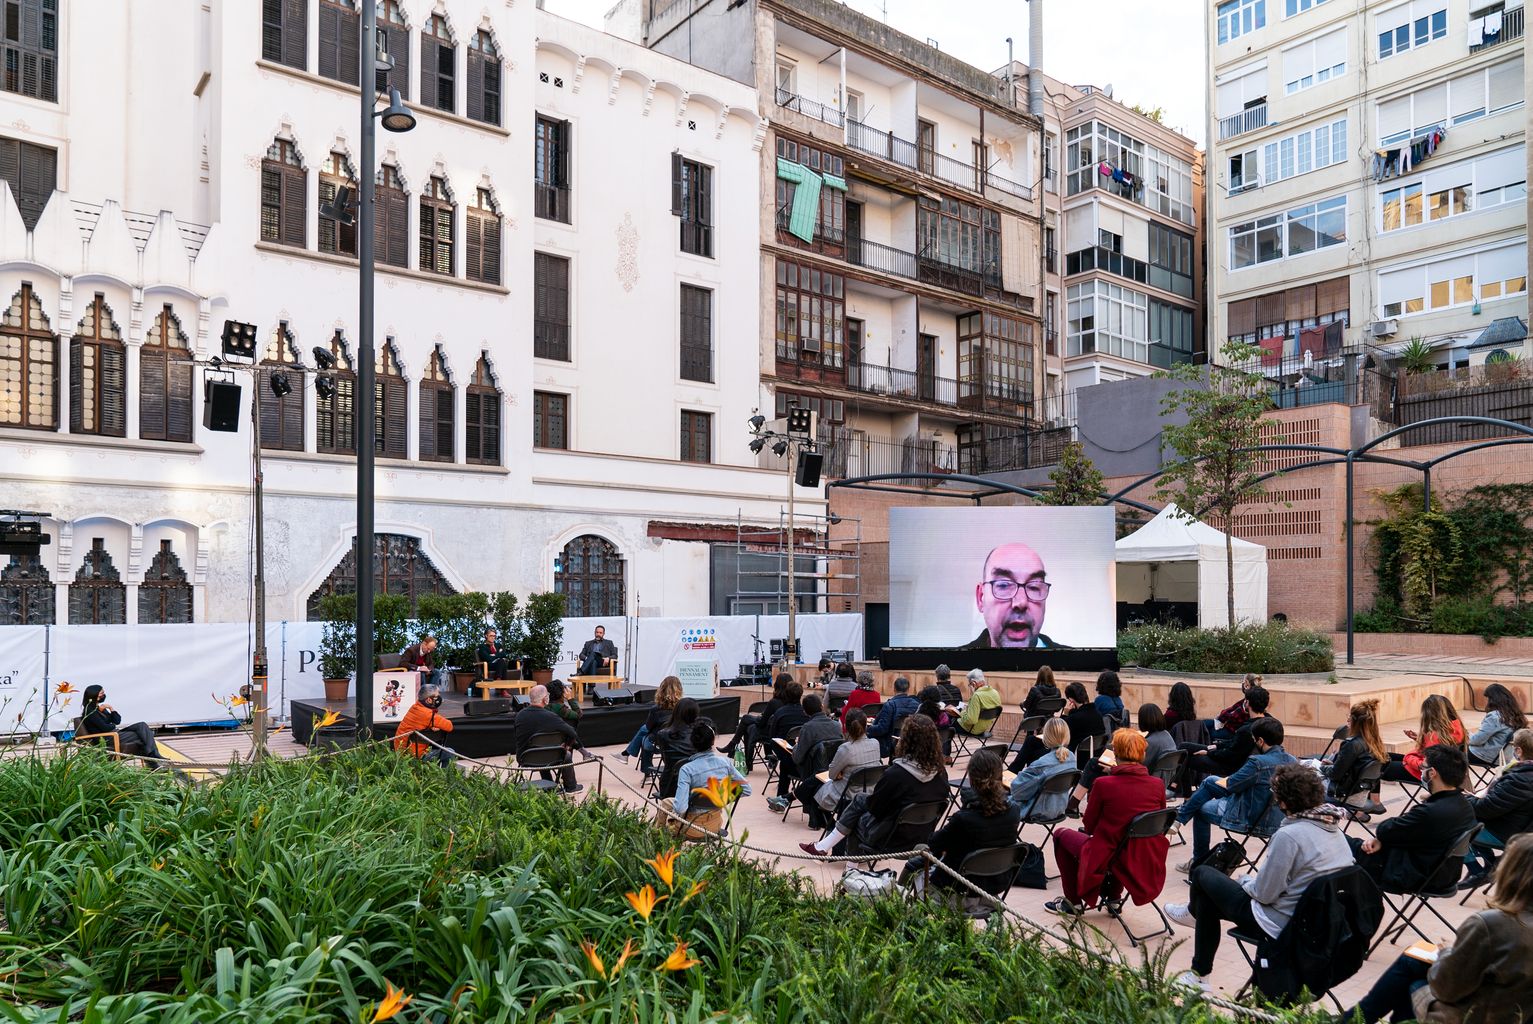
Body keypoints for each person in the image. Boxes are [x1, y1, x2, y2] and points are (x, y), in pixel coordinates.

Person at [1167, 762, 1355, 994]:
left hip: (1280, 923)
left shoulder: (1290, 835)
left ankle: (1194, 930)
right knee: (1208, 899)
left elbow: (1264, 894)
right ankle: (1198, 970)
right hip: (1318, 923)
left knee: (1202, 874)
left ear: (1283, 802)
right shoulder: (1336, 831)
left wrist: (1245, 881)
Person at [1346, 833, 1533, 1024]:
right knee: (1413, 961)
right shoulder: (1502, 923)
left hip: (1475, 1015)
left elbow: (1446, 989)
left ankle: (1354, 1019)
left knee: (1410, 980)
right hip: (1512, 1010)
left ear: (1513, 873)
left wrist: (1445, 953)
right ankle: (1355, 1018)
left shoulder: (1494, 923)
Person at [1049, 729, 1168, 916]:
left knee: (1061, 835)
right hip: (1142, 854)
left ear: (1116, 753)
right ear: (1142, 754)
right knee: (1124, 839)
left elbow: (1089, 826)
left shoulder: (1104, 784)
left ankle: (1073, 903)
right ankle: (1113, 897)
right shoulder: (1157, 784)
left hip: (1111, 854)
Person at [799, 712, 949, 857]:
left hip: (889, 839)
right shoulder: (942, 774)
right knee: (860, 800)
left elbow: (875, 809)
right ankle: (825, 848)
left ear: (906, 740)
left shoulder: (896, 774)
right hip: (921, 836)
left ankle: (846, 866)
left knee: (857, 812)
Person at [1354, 744, 1476, 893]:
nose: (1421, 772)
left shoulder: (1430, 812)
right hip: (1445, 873)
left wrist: (1383, 840)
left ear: (1432, 773)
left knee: (1347, 845)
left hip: (1413, 874)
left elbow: (1385, 829)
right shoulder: (1465, 804)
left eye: (1423, 768)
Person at [1175, 717, 1294, 866]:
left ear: (1261, 741)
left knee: (1199, 807)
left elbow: (1231, 784)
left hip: (1249, 818)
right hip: (1278, 820)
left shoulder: (1257, 763)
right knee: (1210, 782)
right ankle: (1180, 819)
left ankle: (1198, 861)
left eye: (1254, 740)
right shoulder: (1293, 761)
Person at [906, 750, 1022, 896]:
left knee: (920, 849)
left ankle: (897, 903)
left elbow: (935, 843)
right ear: (1000, 776)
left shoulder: (964, 819)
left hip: (956, 890)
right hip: (993, 887)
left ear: (971, 778)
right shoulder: (1013, 812)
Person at [1067, 703, 1175, 817]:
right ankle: (1075, 805)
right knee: (1096, 763)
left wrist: (1111, 769)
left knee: (1094, 764)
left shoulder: (1151, 743)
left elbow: (1133, 767)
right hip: (1157, 780)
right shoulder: (1166, 736)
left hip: (1138, 780)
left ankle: (1074, 804)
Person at [1463, 728, 1533, 886]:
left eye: (1513, 746)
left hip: (1511, 834)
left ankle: (1477, 869)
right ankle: (1490, 865)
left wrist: (1464, 799)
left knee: (1453, 822)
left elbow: (1486, 808)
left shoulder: (1520, 779)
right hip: (1520, 828)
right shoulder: (1520, 775)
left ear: (1519, 750)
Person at [964, 542, 1065, 649]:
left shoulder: (1078, 663)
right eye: (1004, 585)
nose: (1021, 602)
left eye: (1034, 586)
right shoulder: (953, 663)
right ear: (981, 598)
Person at [668, 718, 752, 838]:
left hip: (691, 828)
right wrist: (720, 799)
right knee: (668, 803)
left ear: (692, 742)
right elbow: (747, 789)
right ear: (713, 741)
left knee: (666, 806)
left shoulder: (687, 769)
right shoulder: (726, 763)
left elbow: (681, 808)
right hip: (715, 826)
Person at [804, 708, 882, 831]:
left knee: (815, 793)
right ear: (866, 725)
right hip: (870, 790)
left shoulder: (846, 748)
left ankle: (834, 828)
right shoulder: (875, 743)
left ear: (845, 726)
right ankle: (836, 829)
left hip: (848, 793)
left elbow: (831, 774)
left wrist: (840, 773)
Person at [766, 693, 841, 812]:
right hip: (833, 768)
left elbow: (797, 758)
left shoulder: (808, 727)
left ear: (805, 712)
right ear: (821, 707)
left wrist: (796, 745)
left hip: (812, 770)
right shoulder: (837, 725)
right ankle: (783, 799)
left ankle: (782, 798)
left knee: (785, 764)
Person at [1185, 684, 1274, 779]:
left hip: (1231, 766)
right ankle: (1177, 787)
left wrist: (1209, 753)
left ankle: (1180, 789)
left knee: (1188, 756)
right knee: (1185, 746)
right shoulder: (1270, 722)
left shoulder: (1247, 730)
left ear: (1247, 703)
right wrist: (1215, 746)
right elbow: (1233, 744)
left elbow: (1230, 755)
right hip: (1232, 756)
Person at [1010, 681, 1103, 771]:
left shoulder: (1074, 718)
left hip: (1069, 756)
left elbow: (1057, 734)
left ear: (1071, 700)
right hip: (1090, 755)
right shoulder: (1098, 714)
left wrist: (1068, 713)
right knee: (1032, 741)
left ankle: (1013, 772)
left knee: (1031, 745)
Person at [511, 684, 583, 793]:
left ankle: (549, 786)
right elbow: (572, 733)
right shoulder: (551, 716)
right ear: (545, 699)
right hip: (550, 757)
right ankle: (571, 787)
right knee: (565, 755)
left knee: (538, 749)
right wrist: (567, 745)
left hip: (524, 758)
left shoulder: (519, 715)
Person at [1383, 694, 1468, 784]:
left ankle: (1373, 797)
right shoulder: (1457, 728)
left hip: (1429, 775)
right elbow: (1440, 750)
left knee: (1379, 765)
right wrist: (1423, 740)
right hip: (1447, 772)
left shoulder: (1435, 736)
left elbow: (1425, 765)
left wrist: (1408, 758)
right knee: (1383, 756)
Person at [1320, 698, 1387, 809]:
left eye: (1349, 718)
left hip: (1344, 795)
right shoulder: (1375, 742)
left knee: (1302, 782)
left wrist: (1323, 767)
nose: (1347, 721)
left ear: (1354, 721)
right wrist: (1331, 766)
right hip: (1361, 793)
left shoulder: (1351, 744)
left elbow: (1335, 775)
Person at [719, 672, 790, 770]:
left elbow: (761, 723)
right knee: (749, 724)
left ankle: (734, 747)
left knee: (746, 720)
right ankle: (736, 748)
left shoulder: (774, 702)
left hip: (771, 733)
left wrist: (761, 717)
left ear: (777, 685)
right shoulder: (792, 702)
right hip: (785, 734)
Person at [1010, 718, 1077, 819]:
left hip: (1036, 810)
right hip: (1059, 808)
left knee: (996, 798)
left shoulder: (1041, 765)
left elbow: (1017, 792)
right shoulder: (1072, 758)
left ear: (1046, 736)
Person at [77, 684, 164, 762]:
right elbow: (105, 728)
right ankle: (154, 760)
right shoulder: (89, 711)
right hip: (106, 738)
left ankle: (154, 757)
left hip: (113, 733)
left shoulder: (99, 708)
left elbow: (117, 721)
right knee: (141, 736)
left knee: (141, 726)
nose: (103, 695)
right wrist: (111, 725)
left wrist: (111, 708)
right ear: (94, 695)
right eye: (101, 693)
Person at [619, 674, 681, 772]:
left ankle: (646, 772)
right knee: (645, 732)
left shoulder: (656, 709)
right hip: (679, 742)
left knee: (645, 737)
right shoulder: (682, 707)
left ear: (661, 690)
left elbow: (648, 728)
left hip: (658, 744)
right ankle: (626, 754)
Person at [393, 682, 456, 768]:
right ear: (429, 700)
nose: (440, 698)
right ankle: (444, 776)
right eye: (438, 695)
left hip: (401, 752)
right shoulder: (428, 715)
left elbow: (421, 723)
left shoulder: (415, 708)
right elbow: (449, 726)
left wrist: (432, 725)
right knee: (449, 752)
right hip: (414, 755)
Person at [653, 697, 702, 800]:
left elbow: (665, 759)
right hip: (696, 783)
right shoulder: (701, 734)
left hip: (671, 784)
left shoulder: (663, 734)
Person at [1470, 683, 1527, 768]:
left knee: (1453, 753)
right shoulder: (1515, 715)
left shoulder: (1495, 716)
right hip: (1506, 756)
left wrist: (1467, 737)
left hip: (1488, 756)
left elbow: (1478, 740)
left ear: (1492, 700)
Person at [867, 676, 920, 758]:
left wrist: (868, 728)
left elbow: (882, 729)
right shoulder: (916, 704)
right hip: (911, 741)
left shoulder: (890, 705)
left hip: (890, 743)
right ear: (908, 689)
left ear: (894, 689)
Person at [1209, 673, 1261, 740]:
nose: (1242, 684)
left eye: (1244, 682)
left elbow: (1233, 716)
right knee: (1203, 724)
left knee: (1207, 731)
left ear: (1247, 685)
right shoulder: (1247, 700)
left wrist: (1223, 715)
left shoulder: (1248, 703)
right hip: (1228, 726)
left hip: (1232, 731)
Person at [956, 668, 1002, 737]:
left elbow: (971, 720)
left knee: (950, 723)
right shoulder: (995, 692)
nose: (970, 687)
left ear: (973, 683)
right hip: (984, 728)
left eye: (970, 685)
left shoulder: (976, 696)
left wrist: (961, 713)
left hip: (973, 729)